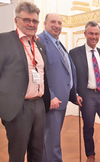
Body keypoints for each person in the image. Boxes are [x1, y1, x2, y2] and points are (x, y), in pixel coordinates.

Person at [0, 2, 50, 162]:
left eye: (34, 21)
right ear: (16, 21)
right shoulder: (4, 40)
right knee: (17, 154)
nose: (31, 24)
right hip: (17, 107)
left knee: (37, 152)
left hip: (39, 105)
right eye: (26, 20)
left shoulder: (39, 45)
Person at [69, 21, 100, 162]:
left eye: (96, 34)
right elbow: (71, 76)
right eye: (91, 33)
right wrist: (75, 94)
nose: (94, 36)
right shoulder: (74, 53)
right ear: (85, 34)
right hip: (87, 95)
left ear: (99, 35)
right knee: (89, 126)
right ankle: (90, 154)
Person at [38, 13, 81, 162]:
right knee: (51, 141)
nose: (57, 25)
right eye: (53, 22)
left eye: (59, 23)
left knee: (52, 138)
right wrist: (50, 96)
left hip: (61, 100)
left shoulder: (57, 42)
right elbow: (39, 73)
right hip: (52, 101)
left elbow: (66, 70)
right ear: (45, 23)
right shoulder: (40, 41)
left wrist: (73, 94)